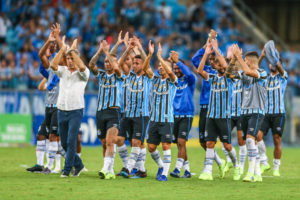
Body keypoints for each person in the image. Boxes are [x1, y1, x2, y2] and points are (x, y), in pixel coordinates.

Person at [197, 39, 238, 181]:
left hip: (224, 117)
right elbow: (199, 70)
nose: (219, 65)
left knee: (227, 145)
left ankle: (236, 165)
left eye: (221, 64)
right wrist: (206, 53)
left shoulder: (230, 78)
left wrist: (216, 48)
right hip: (211, 116)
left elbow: (227, 66)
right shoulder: (213, 77)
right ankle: (207, 170)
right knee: (209, 143)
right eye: (218, 64)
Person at [228, 44, 268, 182]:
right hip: (243, 113)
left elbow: (250, 73)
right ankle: (258, 173)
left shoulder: (263, 73)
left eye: (245, 61)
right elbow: (229, 74)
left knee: (250, 139)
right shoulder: (243, 74)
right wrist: (233, 60)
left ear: (250, 62)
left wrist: (239, 56)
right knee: (252, 143)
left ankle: (250, 172)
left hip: (257, 111)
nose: (243, 63)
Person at [51, 36, 89, 177]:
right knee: (65, 144)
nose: (70, 61)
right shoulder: (63, 71)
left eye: (73, 58)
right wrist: (62, 50)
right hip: (62, 110)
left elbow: (83, 67)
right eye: (68, 59)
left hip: (75, 111)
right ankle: (78, 166)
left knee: (71, 141)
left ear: (77, 59)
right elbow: (53, 66)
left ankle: (67, 171)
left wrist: (72, 50)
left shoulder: (83, 73)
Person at [191, 30, 226, 178]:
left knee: (213, 140)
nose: (211, 61)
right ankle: (220, 162)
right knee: (203, 141)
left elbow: (224, 63)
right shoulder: (205, 69)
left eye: (214, 58)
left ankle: (231, 164)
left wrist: (214, 45)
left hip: (217, 108)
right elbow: (194, 60)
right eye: (210, 58)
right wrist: (207, 43)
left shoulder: (222, 71)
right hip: (204, 106)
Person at [88, 40, 123, 180]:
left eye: (110, 61)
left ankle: (104, 169)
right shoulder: (101, 75)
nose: (108, 63)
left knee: (110, 141)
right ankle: (110, 170)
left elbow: (116, 67)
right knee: (104, 143)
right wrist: (100, 51)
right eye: (106, 61)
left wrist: (107, 52)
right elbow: (91, 65)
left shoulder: (119, 75)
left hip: (113, 112)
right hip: (100, 112)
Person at [117, 39, 152, 178]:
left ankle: (129, 168)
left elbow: (145, 61)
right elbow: (119, 64)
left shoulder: (149, 77)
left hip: (141, 115)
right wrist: (128, 48)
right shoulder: (129, 76)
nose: (134, 65)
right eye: (133, 63)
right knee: (120, 140)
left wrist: (141, 49)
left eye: (137, 63)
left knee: (137, 142)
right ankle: (141, 170)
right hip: (128, 114)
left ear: (143, 65)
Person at [144, 42, 177, 181]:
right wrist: (150, 55)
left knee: (165, 145)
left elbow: (170, 72)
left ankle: (164, 174)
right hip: (154, 120)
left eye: (162, 66)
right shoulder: (155, 80)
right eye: (159, 66)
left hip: (166, 120)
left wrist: (159, 56)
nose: (160, 68)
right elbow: (145, 68)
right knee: (151, 148)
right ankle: (161, 165)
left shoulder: (173, 81)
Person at [257, 45, 288, 177]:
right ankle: (264, 161)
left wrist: (276, 59)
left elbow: (280, 68)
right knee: (257, 136)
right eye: (270, 62)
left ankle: (276, 167)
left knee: (277, 140)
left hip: (278, 114)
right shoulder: (265, 78)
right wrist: (263, 55)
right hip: (265, 113)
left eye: (275, 62)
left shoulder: (282, 77)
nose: (273, 64)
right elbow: (254, 69)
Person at [169, 50, 195, 178]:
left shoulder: (189, 80)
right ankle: (187, 170)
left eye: (178, 68)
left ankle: (177, 169)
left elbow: (189, 73)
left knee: (181, 141)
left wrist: (177, 61)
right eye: (174, 68)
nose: (177, 70)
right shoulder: (173, 81)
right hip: (174, 115)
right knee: (180, 144)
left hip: (187, 115)